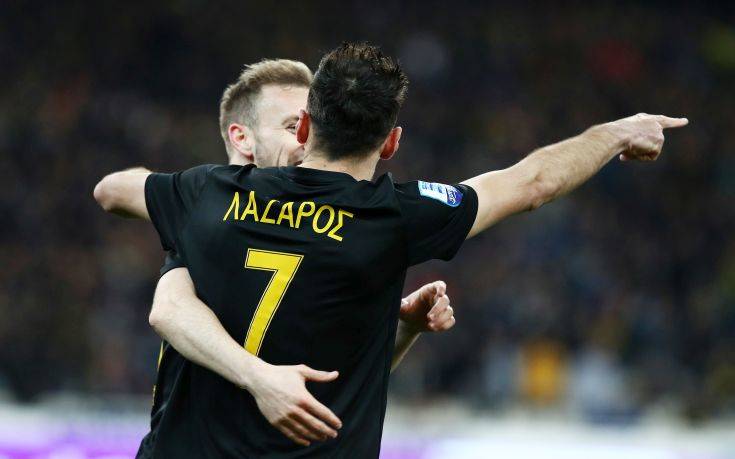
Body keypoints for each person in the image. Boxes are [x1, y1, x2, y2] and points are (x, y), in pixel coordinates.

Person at [94, 42, 687, 457]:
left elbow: (114, 191)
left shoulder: (210, 194)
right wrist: (615, 133)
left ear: (306, 128)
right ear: (392, 142)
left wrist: (400, 329)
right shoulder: (392, 220)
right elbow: (531, 183)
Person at [95, 57, 456, 456]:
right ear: (243, 139)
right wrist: (259, 377)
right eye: (293, 126)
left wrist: (405, 329)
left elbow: (327, 383)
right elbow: (168, 309)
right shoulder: (210, 215)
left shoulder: (317, 241)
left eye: (314, 126)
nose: (308, 140)